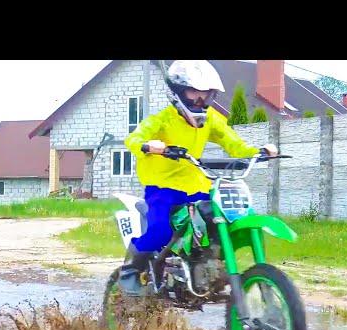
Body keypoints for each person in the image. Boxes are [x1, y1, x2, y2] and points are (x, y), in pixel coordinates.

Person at [119, 60, 277, 295]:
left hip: (197, 186)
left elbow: (233, 143)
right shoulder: (162, 120)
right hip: (163, 188)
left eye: (206, 94)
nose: (200, 100)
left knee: (219, 221)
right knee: (161, 230)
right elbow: (133, 139)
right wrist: (148, 145)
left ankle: (206, 268)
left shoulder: (211, 119)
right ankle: (131, 270)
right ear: (178, 93)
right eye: (194, 92)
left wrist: (257, 152)